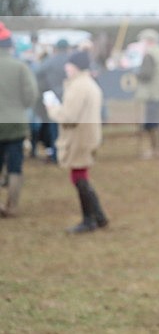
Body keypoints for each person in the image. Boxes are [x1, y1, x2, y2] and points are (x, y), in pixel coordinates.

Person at [45, 50, 108, 233]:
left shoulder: (78, 86)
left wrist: (52, 109)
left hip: (79, 137)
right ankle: (98, 215)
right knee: (81, 176)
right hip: (88, 135)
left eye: (69, 65)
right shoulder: (88, 84)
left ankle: (89, 219)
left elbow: (69, 116)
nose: (66, 68)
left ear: (76, 67)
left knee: (79, 177)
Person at [0, 21, 38, 218]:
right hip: (15, 124)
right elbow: (31, 96)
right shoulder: (20, 67)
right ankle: (12, 205)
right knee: (15, 166)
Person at [135, 29, 159, 159]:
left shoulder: (149, 54)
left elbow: (146, 74)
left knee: (153, 123)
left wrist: (137, 74)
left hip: (154, 93)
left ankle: (156, 150)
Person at [35, 38, 71, 163]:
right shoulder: (71, 60)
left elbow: (38, 73)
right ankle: (69, 153)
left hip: (54, 97)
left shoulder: (50, 61)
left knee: (54, 127)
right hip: (70, 96)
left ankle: (56, 155)